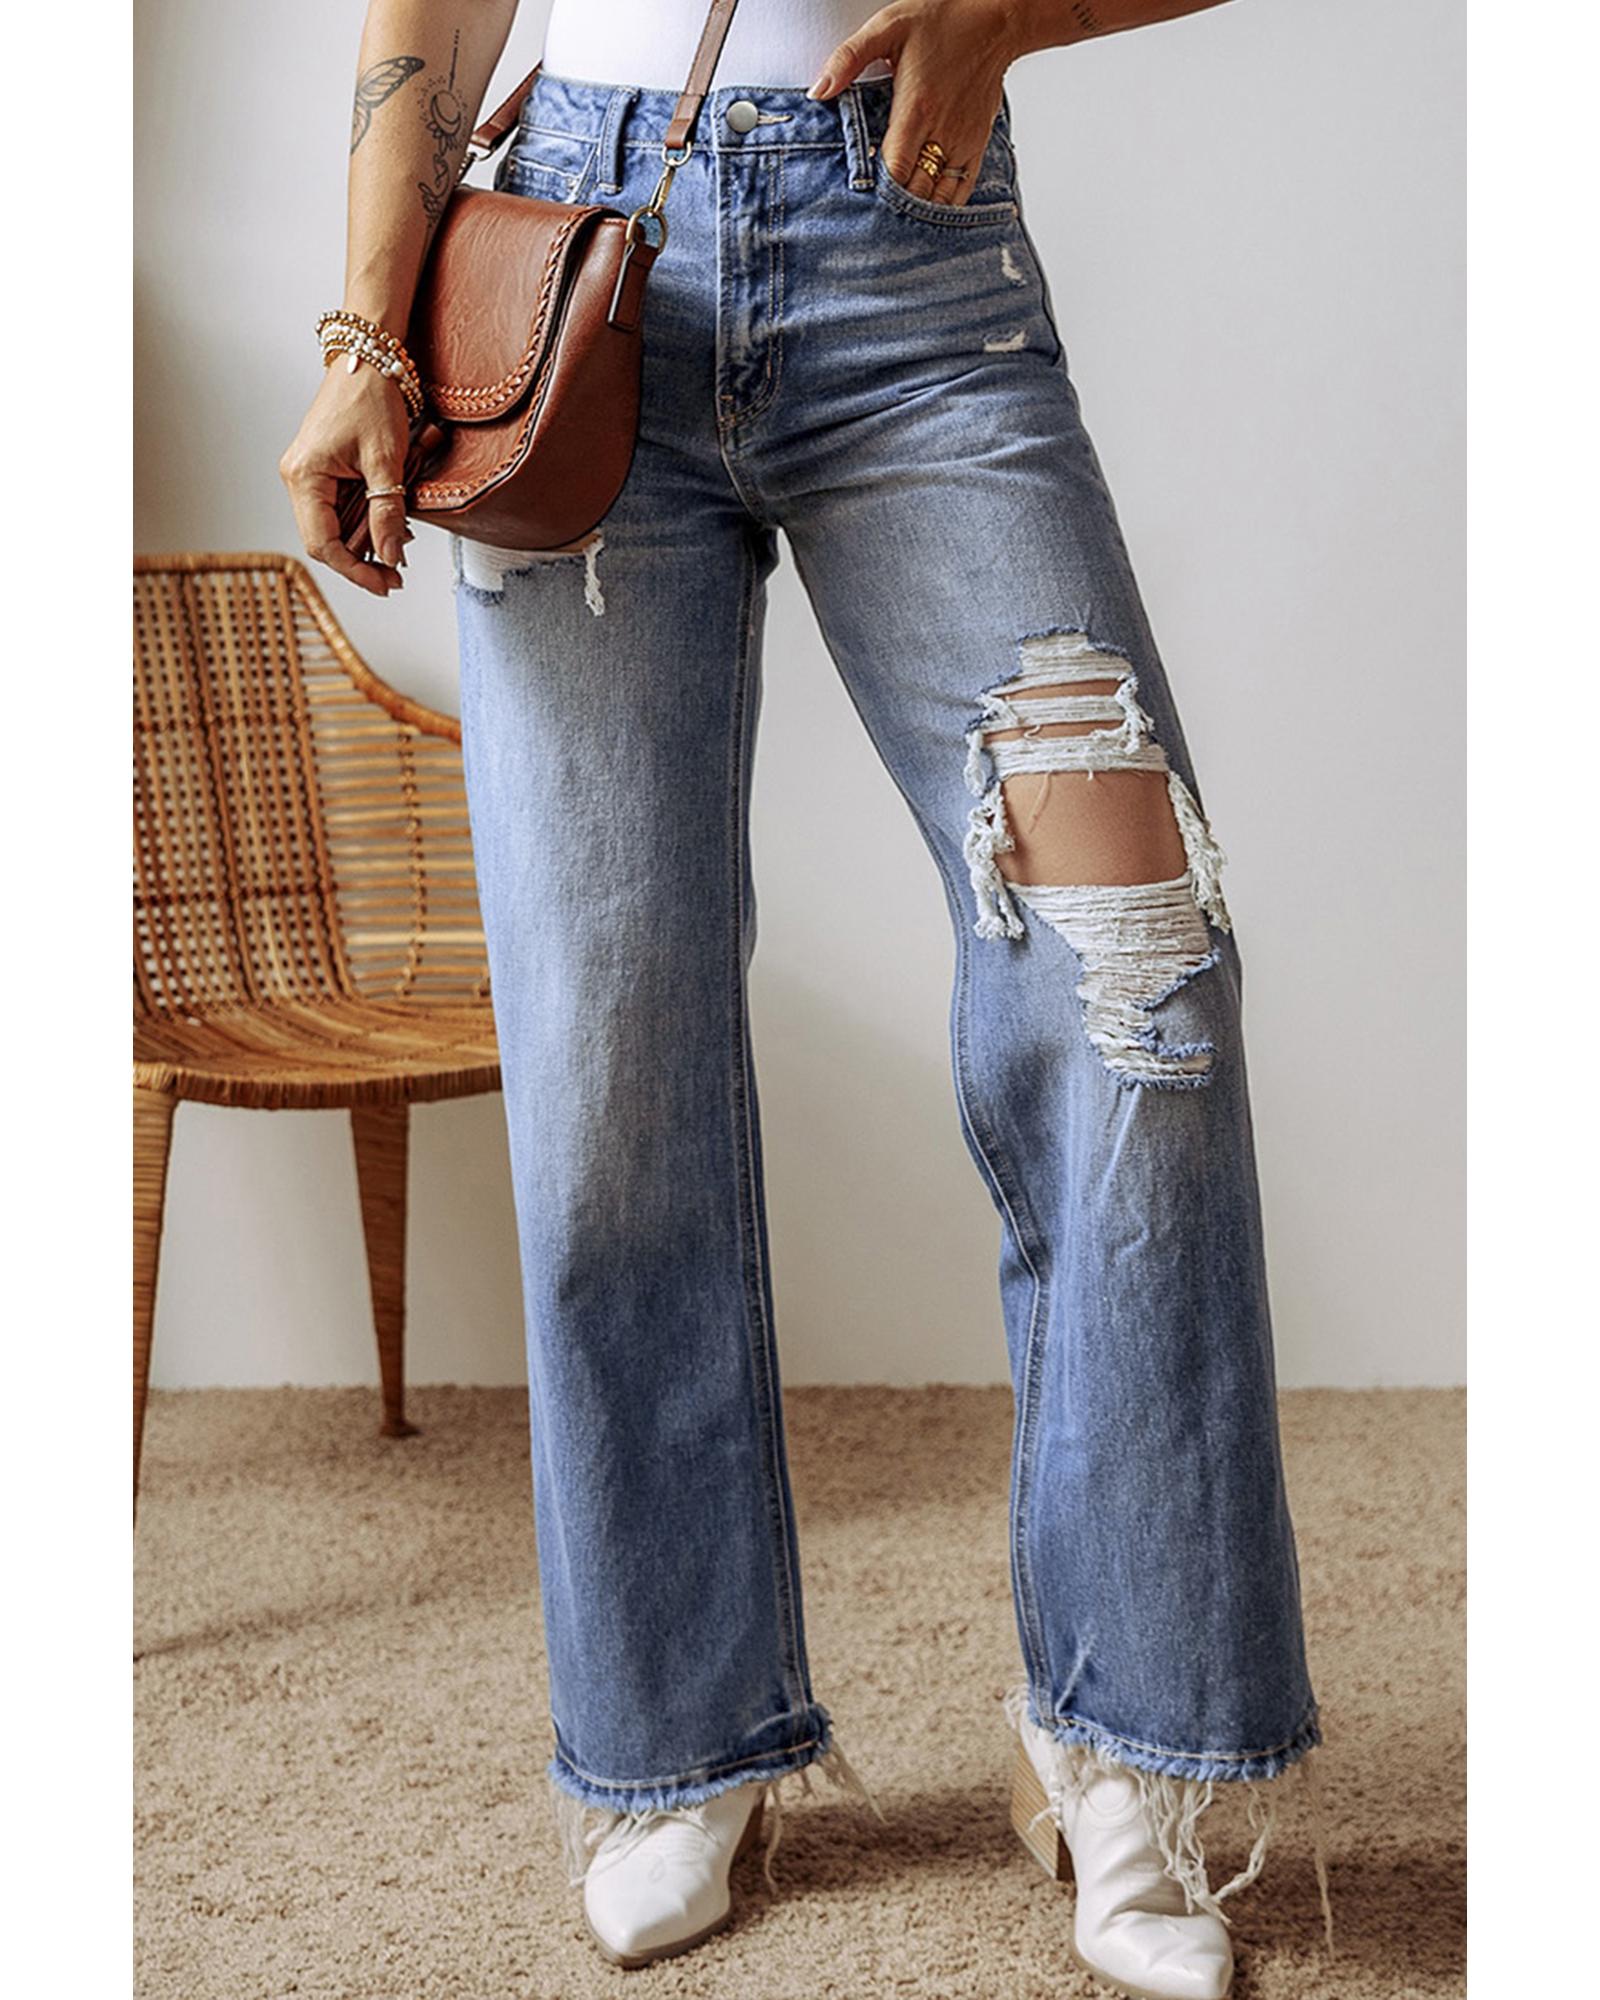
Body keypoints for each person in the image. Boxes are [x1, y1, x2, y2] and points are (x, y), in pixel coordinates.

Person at [280, 4, 1329, 1992]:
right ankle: (675, 1737)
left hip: (913, 274)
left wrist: (1010, 17)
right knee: (606, 1050)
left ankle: (1117, 1734)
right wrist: (365, 332)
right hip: (567, 254)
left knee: (1137, 979)